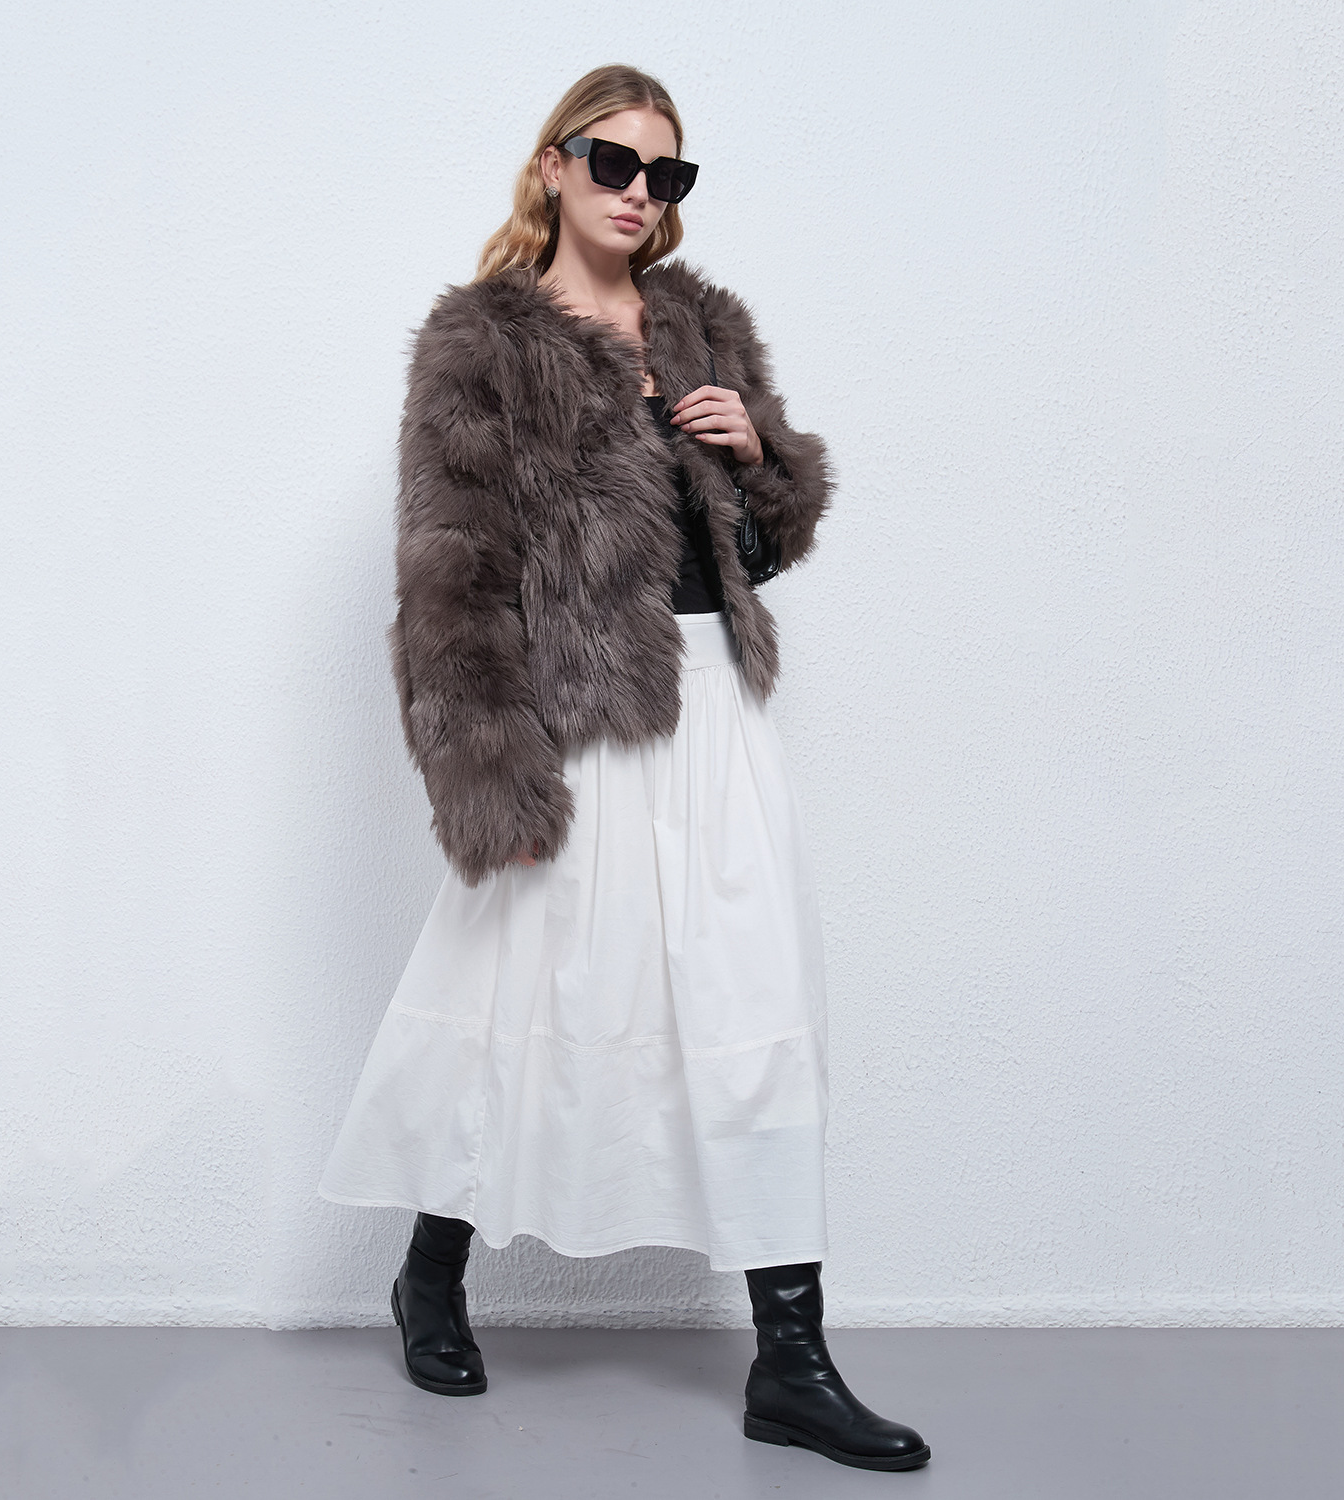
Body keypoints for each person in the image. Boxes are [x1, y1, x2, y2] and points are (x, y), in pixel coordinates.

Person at [319, 63, 930, 1473]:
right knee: (509, 996)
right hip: (577, 727)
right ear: (554, 165)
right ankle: (428, 1277)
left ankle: (791, 1361)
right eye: (613, 163)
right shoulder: (483, 344)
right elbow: (450, 580)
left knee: (754, 1001)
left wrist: (763, 452)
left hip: (717, 713)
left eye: (666, 174)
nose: (639, 193)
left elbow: (761, 545)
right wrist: (492, 778)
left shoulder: (701, 324)